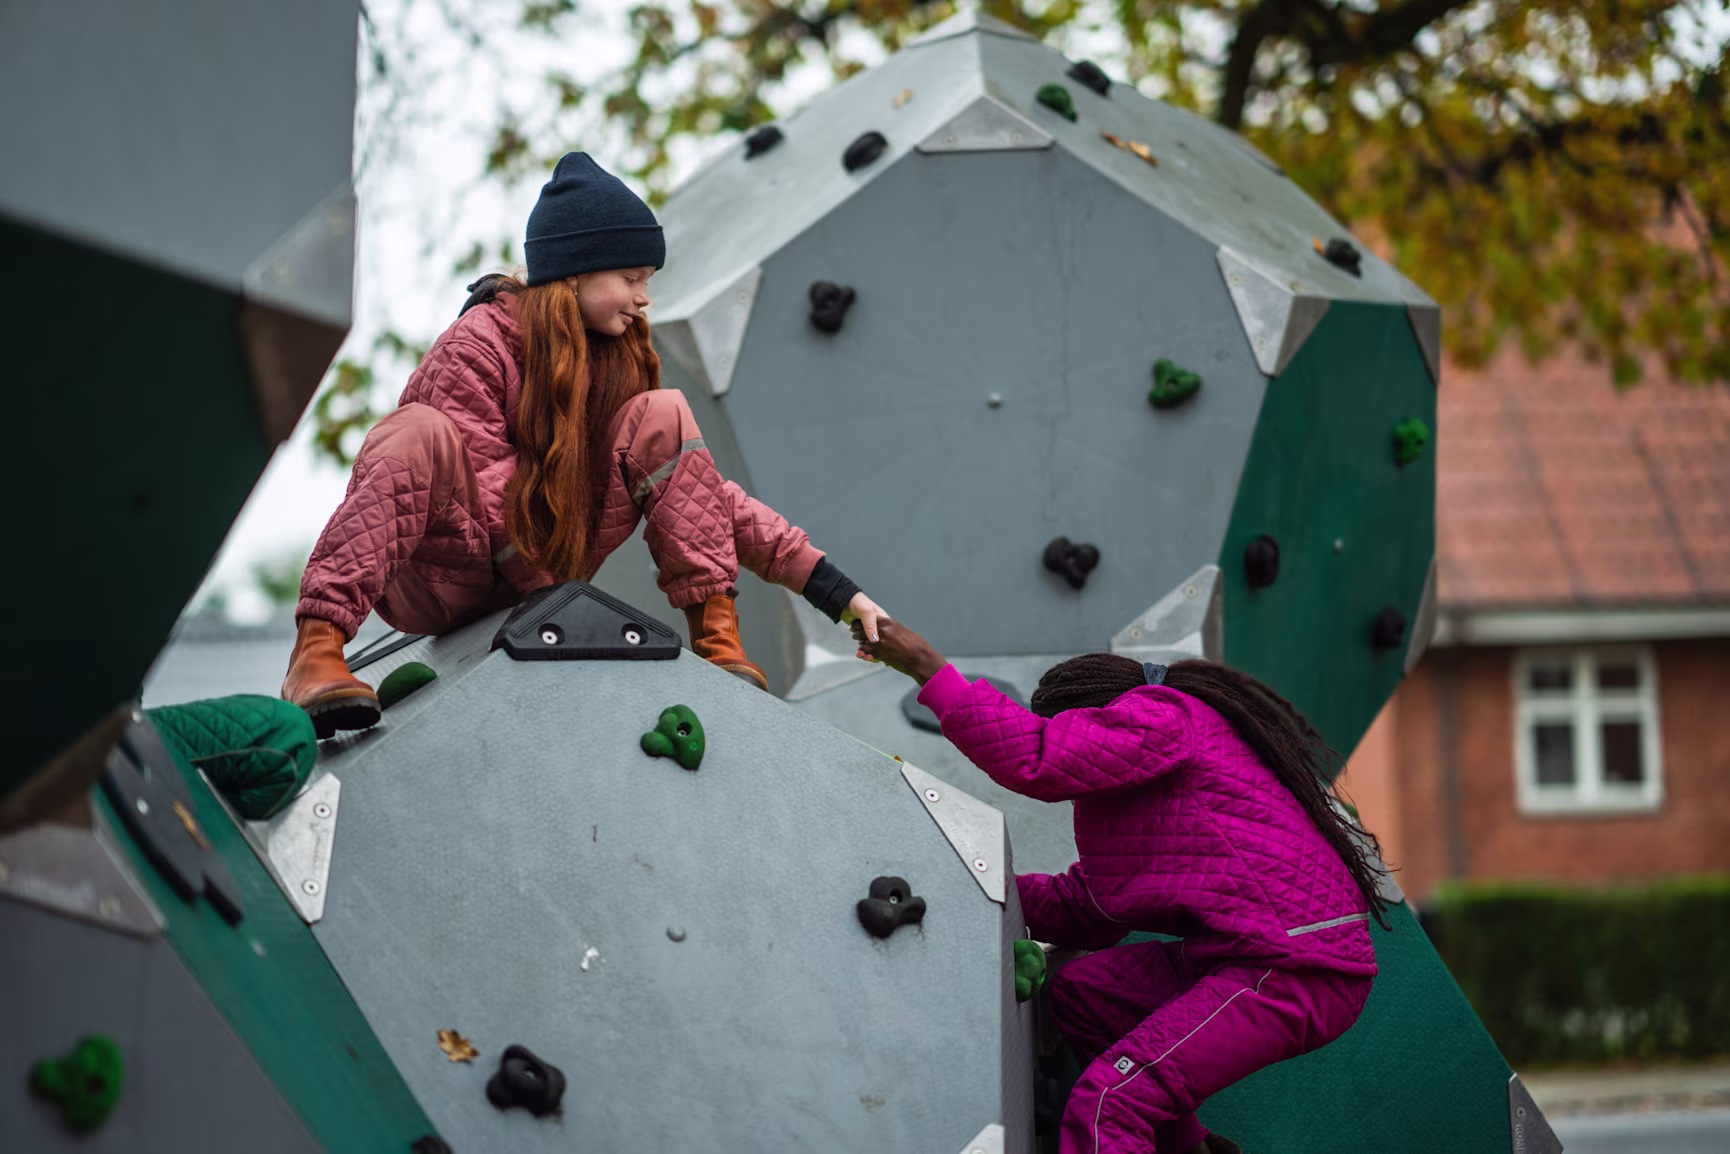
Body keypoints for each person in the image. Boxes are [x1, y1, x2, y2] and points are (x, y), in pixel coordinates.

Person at [281, 152, 884, 736]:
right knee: (416, 431)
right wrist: (550, 594)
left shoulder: (617, 361)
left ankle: (719, 642)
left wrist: (833, 590)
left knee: (664, 414)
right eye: (631, 278)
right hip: (447, 575)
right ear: (573, 273)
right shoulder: (478, 345)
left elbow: (703, 495)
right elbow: (489, 490)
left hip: (549, 567)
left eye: (646, 280)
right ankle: (318, 649)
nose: (644, 296)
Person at [853, 619, 1385, 1154]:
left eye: (1078, 730)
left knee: (1109, 1104)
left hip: (1293, 968)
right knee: (1085, 994)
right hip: (1248, 955)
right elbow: (1086, 908)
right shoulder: (1152, 802)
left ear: (1100, 716)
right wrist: (960, 881)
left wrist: (928, 667)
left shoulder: (1161, 716)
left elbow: (1034, 756)